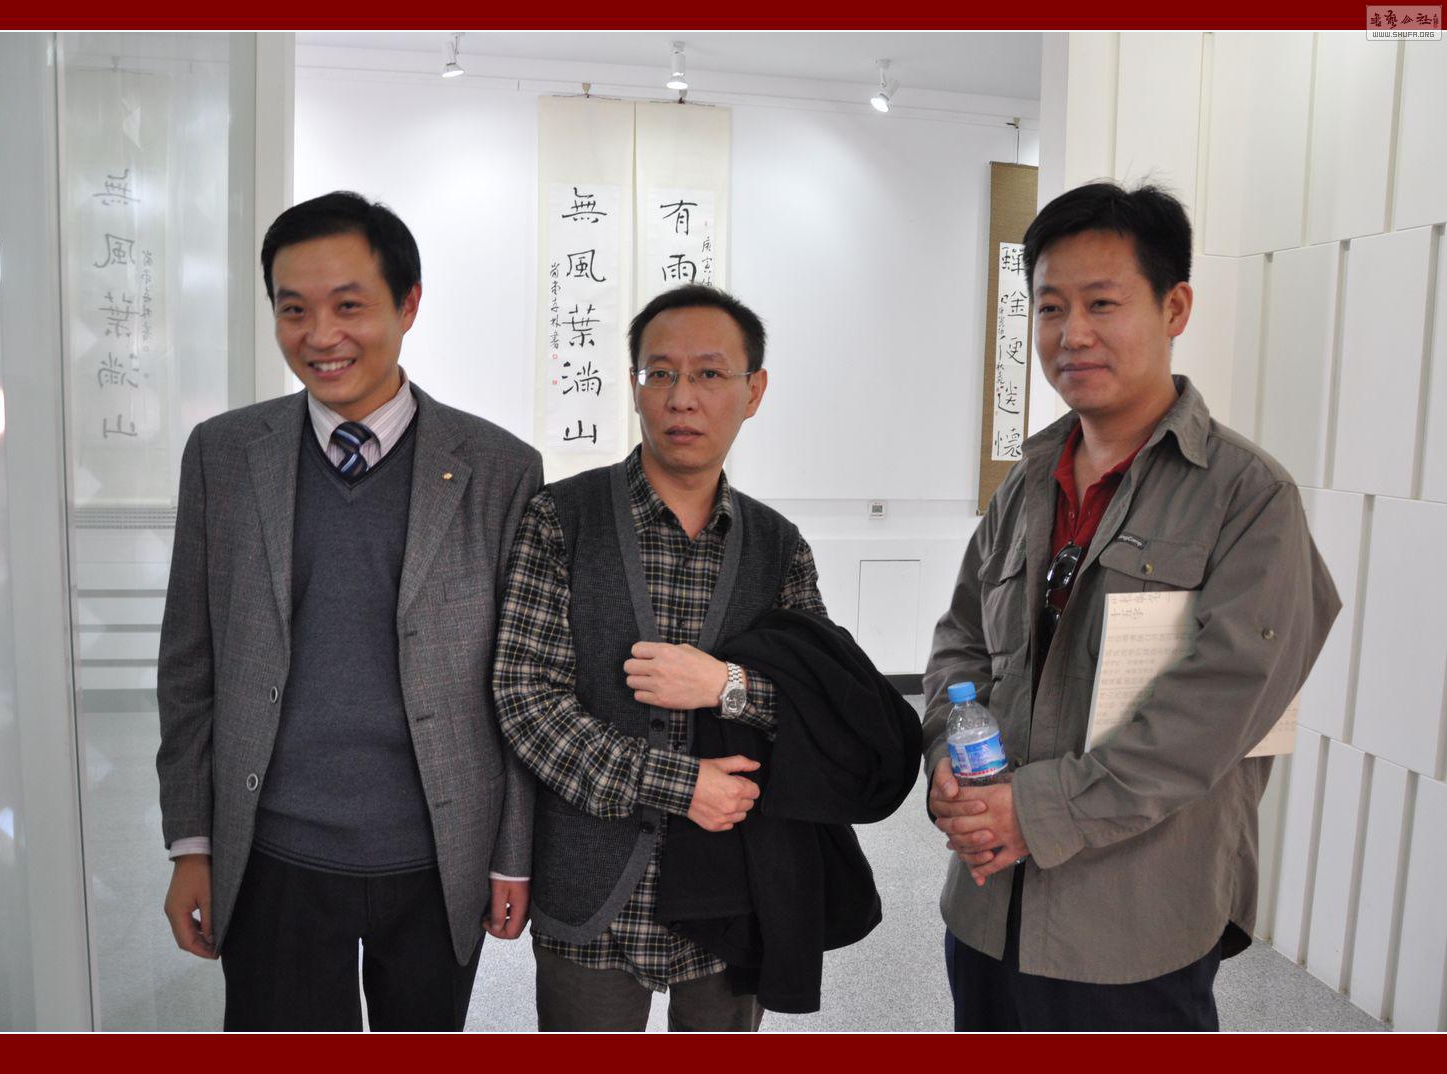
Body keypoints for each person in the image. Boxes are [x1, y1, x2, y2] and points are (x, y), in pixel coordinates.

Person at [923, 181, 1341, 1031]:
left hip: (1132, 927)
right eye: (1050, 308)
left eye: (1101, 303)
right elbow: (960, 639)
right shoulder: (1027, 484)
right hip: (987, 905)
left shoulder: (1247, 497)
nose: (1071, 333)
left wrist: (1036, 812)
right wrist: (945, 759)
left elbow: (1210, 713)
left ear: (1173, 307)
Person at [156, 190, 541, 1031]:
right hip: (273, 849)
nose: (320, 335)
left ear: (408, 305)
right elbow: (189, 660)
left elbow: (522, 682)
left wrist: (512, 856)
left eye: (349, 306)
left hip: (436, 850)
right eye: (293, 309)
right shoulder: (224, 453)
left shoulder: (500, 467)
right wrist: (192, 843)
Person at [492, 284, 829, 1031]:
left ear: (753, 391)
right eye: (660, 374)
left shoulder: (778, 548)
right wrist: (680, 784)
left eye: (709, 373)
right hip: (591, 890)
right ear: (635, 385)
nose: (682, 398)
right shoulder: (561, 518)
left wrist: (728, 687)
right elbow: (525, 697)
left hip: (733, 891)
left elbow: (817, 704)